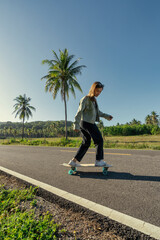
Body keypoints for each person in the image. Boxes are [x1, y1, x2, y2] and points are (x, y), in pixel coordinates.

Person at [68, 81, 113, 167]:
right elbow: (79, 112)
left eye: (100, 91)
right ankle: (99, 160)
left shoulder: (94, 101)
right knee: (99, 140)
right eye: (97, 91)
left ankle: (73, 161)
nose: (99, 93)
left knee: (86, 142)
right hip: (86, 123)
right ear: (93, 89)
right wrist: (75, 124)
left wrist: (107, 116)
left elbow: (98, 112)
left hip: (86, 123)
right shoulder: (85, 99)